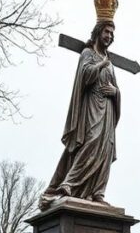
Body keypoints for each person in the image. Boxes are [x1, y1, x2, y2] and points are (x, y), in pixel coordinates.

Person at [41, 17, 121, 208]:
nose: (109, 36)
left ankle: (97, 192)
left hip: (108, 111)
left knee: (105, 149)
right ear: (98, 32)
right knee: (91, 141)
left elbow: (115, 87)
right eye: (106, 32)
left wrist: (116, 92)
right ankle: (68, 183)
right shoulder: (88, 53)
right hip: (91, 107)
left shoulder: (110, 63)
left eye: (112, 33)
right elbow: (84, 77)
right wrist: (100, 65)